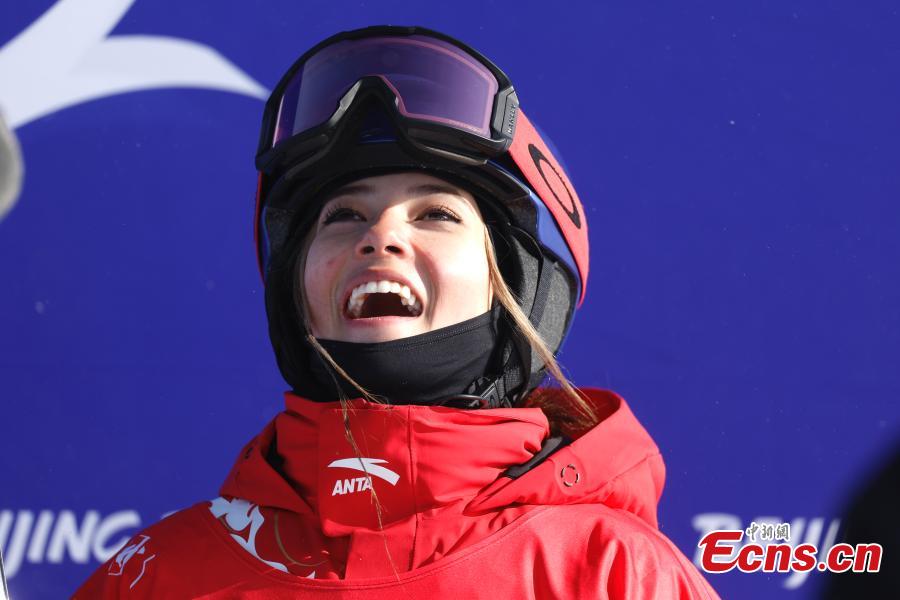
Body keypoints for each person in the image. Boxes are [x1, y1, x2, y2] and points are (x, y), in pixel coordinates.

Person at [75, 26, 720, 598]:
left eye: (435, 213)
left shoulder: (609, 574)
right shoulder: (157, 577)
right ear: (295, 288)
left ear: (515, 284)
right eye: (342, 215)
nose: (380, 237)